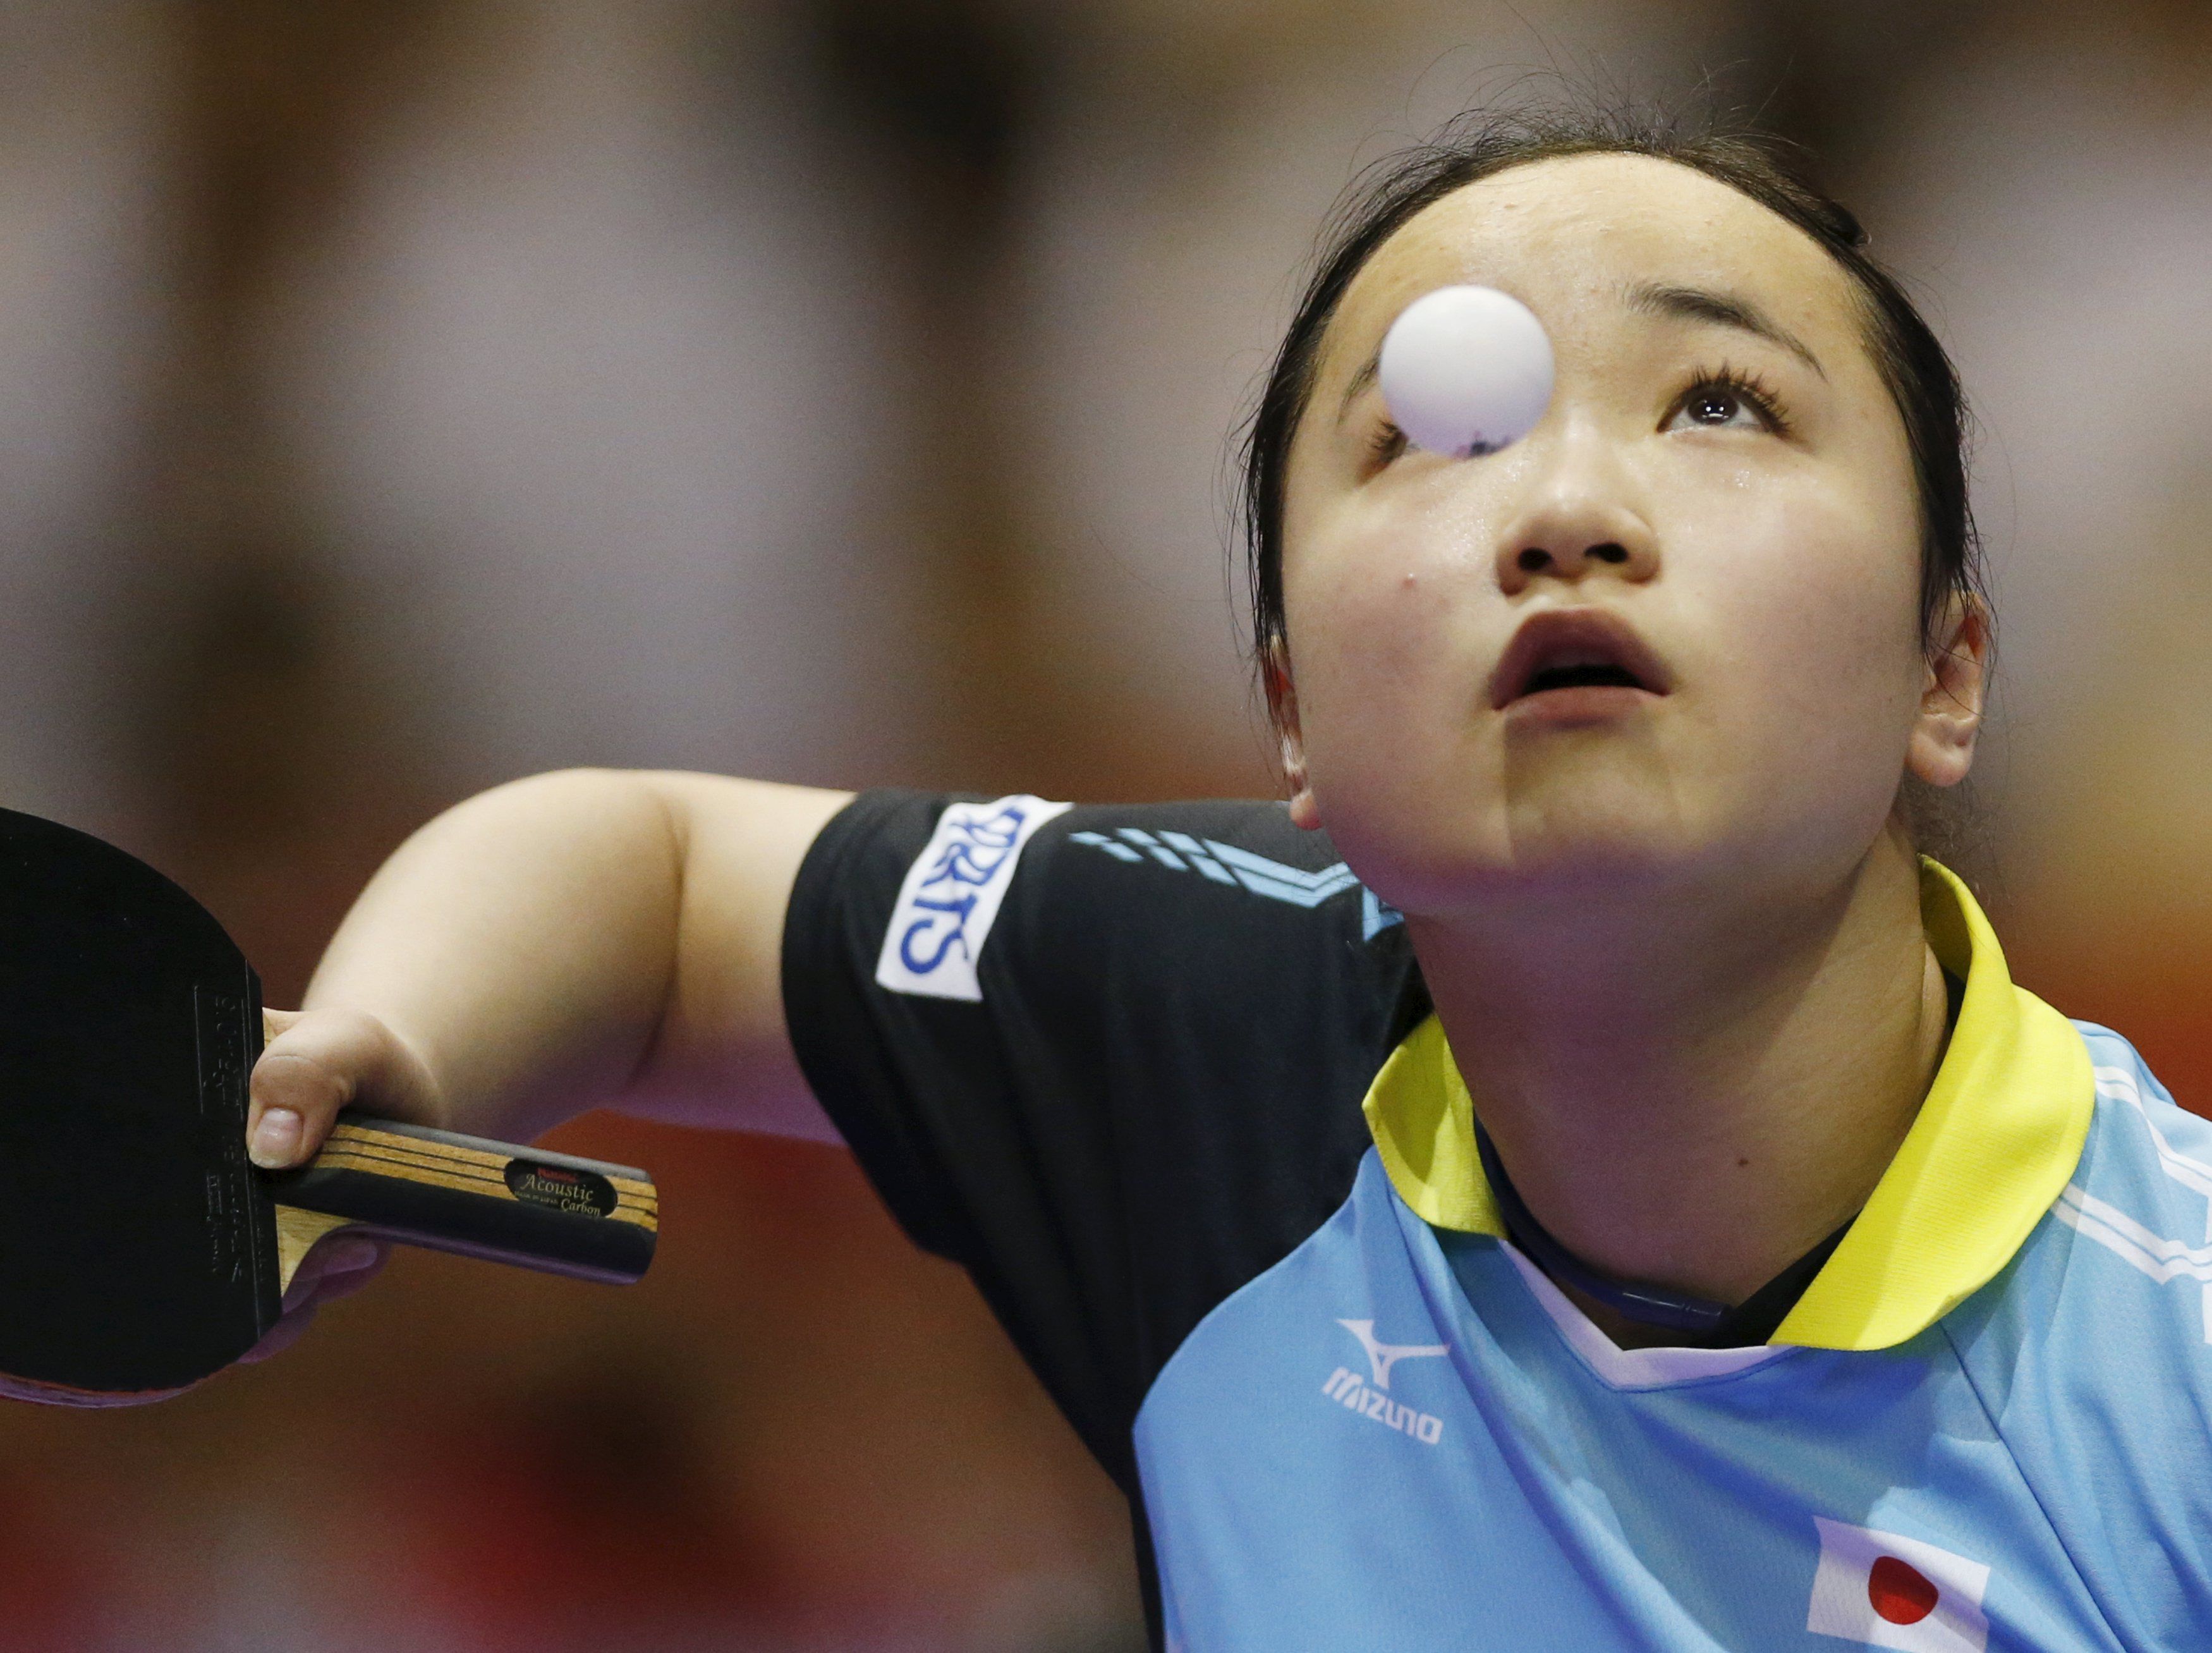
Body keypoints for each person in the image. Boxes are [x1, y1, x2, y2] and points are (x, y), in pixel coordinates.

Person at [245, 111, 2212, 1650]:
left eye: (1718, 403)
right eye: (1426, 437)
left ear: (1944, 668)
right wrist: (387, 1058)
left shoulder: (2171, 1361)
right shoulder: (1207, 1029)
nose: (1563, 507)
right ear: (1292, 714)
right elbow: (652, 882)